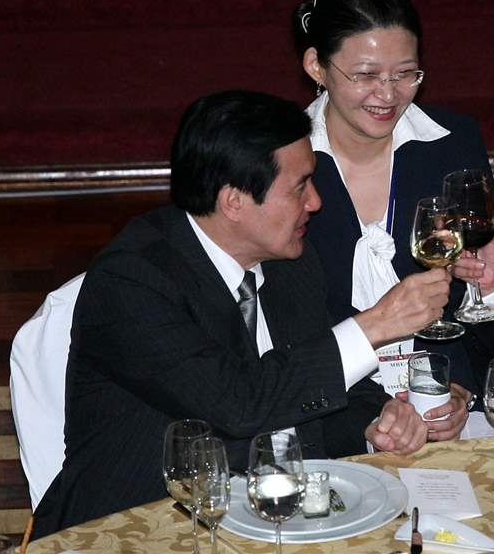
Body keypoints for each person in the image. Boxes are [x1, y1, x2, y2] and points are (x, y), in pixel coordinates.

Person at [33, 90, 468, 537]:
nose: (315, 202)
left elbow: (307, 389)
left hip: (269, 518)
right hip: (135, 527)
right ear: (234, 201)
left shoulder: (291, 263)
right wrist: (374, 325)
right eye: (299, 187)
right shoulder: (133, 281)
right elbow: (240, 404)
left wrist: (377, 422)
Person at [292, 0, 494, 404]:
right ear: (316, 66)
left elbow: (480, 321)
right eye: (366, 75)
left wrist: (460, 393)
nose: (388, 94)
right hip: (328, 407)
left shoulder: (453, 143)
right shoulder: (283, 159)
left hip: (444, 402)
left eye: (405, 74)